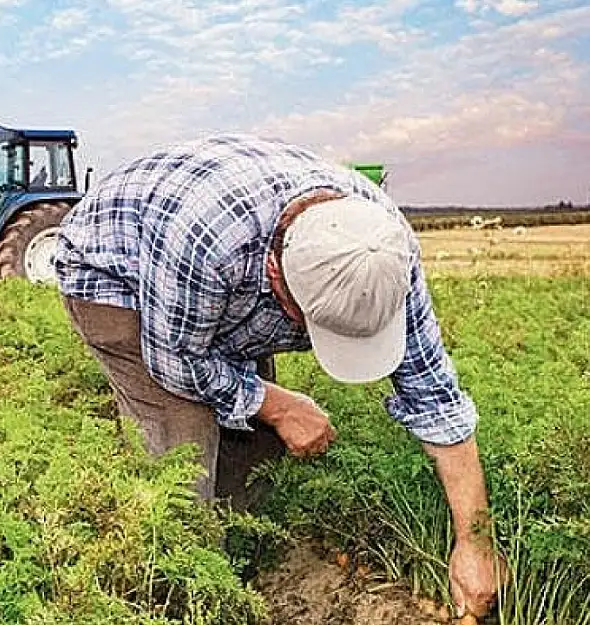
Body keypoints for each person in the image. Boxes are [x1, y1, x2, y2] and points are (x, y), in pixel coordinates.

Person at [53, 133, 505, 619]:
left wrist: (474, 542)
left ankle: (248, 567)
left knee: (256, 441)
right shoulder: (208, 243)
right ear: (276, 277)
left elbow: (434, 397)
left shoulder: (383, 249)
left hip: (216, 279)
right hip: (117, 276)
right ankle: (175, 591)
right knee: (183, 450)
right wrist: (282, 404)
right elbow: (177, 361)